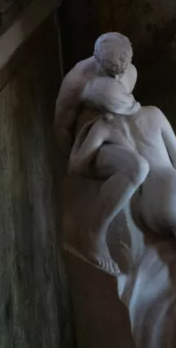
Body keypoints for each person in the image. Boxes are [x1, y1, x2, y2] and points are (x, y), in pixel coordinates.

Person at [54, 32, 147, 274]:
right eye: (110, 71)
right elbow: (61, 127)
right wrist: (77, 170)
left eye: (121, 70)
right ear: (96, 58)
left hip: (120, 135)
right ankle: (93, 233)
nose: (118, 76)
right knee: (138, 168)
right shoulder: (77, 80)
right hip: (92, 145)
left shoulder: (130, 71)